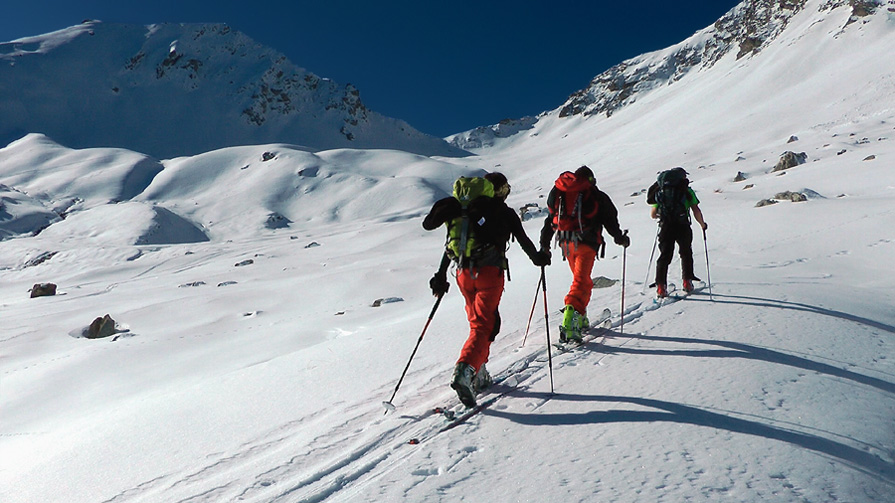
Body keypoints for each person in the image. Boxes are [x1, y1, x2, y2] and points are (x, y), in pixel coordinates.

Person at [423, 172, 550, 407]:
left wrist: (441, 275)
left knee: (478, 323)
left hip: (462, 274)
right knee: (484, 325)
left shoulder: (462, 210)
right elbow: (523, 241)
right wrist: (540, 258)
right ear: (498, 191)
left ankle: (479, 371)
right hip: (489, 273)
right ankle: (466, 369)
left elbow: (452, 244)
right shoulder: (503, 212)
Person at [538, 166, 630, 342]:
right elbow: (610, 220)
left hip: (565, 243)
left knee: (583, 280)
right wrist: (619, 238)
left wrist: (544, 246)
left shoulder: (561, 195)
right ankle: (571, 318)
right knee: (580, 281)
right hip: (586, 243)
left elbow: (550, 221)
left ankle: (580, 316)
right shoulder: (596, 195)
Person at [646, 167, 708, 297]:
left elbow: (653, 214)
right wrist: (702, 225)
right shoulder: (686, 191)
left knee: (664, 255)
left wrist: (662, 215)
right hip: (683, 225)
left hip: (666, 227)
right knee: (686, 252)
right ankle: (687, 282)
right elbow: (696, 210)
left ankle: (661, 287)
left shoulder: (661, 191)